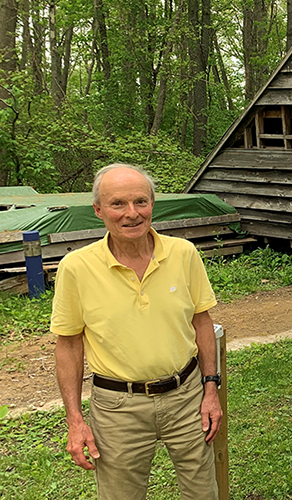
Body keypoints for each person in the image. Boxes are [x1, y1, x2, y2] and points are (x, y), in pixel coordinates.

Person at [52, 164, 222, 500]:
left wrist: (211, 389)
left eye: (141, 202)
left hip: (186, 397)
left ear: (152, 205)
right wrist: (75, 420)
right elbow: (69, 345)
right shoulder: (77, 268)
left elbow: (202, 323)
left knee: (203, 492)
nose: (132, 214)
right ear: (98, 210)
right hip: (118, 407)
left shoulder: (183, 254)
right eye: (118, 204)